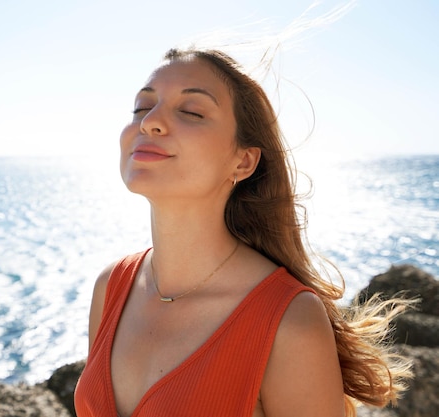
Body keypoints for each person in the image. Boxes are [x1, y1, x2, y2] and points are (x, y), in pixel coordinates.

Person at [74, 46, 412, 417]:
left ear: (244, 160)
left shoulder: (288, 320)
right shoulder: (112, 287)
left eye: (191, 111)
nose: (149, 122)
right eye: (142, 107)